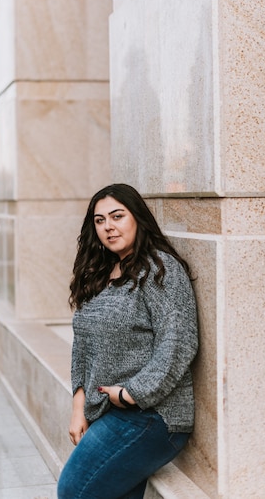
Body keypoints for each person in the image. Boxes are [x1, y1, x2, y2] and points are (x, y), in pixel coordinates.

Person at [57, 183, 198, 499]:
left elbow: (178, 343)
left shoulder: (159, 269)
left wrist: (133, 393)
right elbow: (82, 345)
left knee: (73, 490)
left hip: (153, 417)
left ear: (137, 218)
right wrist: (78, 405)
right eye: (100, 220)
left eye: (117, 216)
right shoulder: (99, 271)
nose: (108, 226)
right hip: (111, 411)